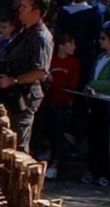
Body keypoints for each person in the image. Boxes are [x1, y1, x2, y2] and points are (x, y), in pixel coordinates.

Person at [0, 0, 53, 153]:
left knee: (17, 145)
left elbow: (41, 71)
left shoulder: (41, 37)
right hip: (10, 94)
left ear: (37, 12)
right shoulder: (25, 31)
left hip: (24, 97)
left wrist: (14, 80)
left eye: (24, 7)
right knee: (3, 140)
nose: (20, 9)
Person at [41, 32, 79, 180]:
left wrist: (54, 82)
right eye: (71, 44)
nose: (74, 47)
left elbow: (72, 85)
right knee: (47, 131)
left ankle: (55, 165)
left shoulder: (74, 63)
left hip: (63, 104)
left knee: (59, 134)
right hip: (48, 102)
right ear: (62, 45)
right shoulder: (52, 60)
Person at [83, 26, 110, 186]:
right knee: (94, 137)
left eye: (103, 39)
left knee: (106, 139)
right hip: (96, 101)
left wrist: (93, 84)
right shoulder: (100, 57)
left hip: (107, 102)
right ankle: (92, 170)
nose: (100, 41)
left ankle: (105, 172)